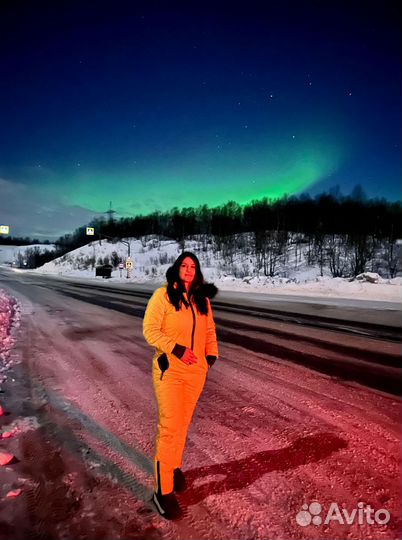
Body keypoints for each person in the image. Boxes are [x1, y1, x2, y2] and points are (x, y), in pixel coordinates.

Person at [143, 251, 219, 519]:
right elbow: (150, 330)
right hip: (170, 371)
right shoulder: (162, 296)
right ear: (177, 269)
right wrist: (176, 349)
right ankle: (161, 491)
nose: (188, 269)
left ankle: (172, 467)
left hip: (196, 373)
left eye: (193, 266)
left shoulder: (202, 300)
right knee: (170, 427)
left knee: (183, 423)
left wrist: (211, 356)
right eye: (184, 265)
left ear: (197, 272)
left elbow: (209, 331)